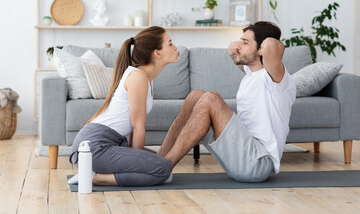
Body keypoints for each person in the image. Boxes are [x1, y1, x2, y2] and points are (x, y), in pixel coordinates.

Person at [157, 21, 296, 182]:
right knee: (195, 96)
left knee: (211, 98)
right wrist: (243, 44)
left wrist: (264, 40)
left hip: (258, 163)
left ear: (262, 49)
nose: (238, 46)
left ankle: (164, 168)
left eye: (245, 43)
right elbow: (232, 48)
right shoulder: (252, 74)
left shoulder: (279, 80)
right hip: (240, 155)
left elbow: (272, 44)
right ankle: (158, 160)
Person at [68, 26, 179, 186]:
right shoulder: (138, 77)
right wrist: (141, 165)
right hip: (94, 147)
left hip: (109, 144)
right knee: (162, 170)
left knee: (163, 169)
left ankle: (92, 173)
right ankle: (92, 177)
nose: (175, 47)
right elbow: (137, 127)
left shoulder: (146, 76)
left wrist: (142, 163)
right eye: (170, 43)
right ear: (157, 53)